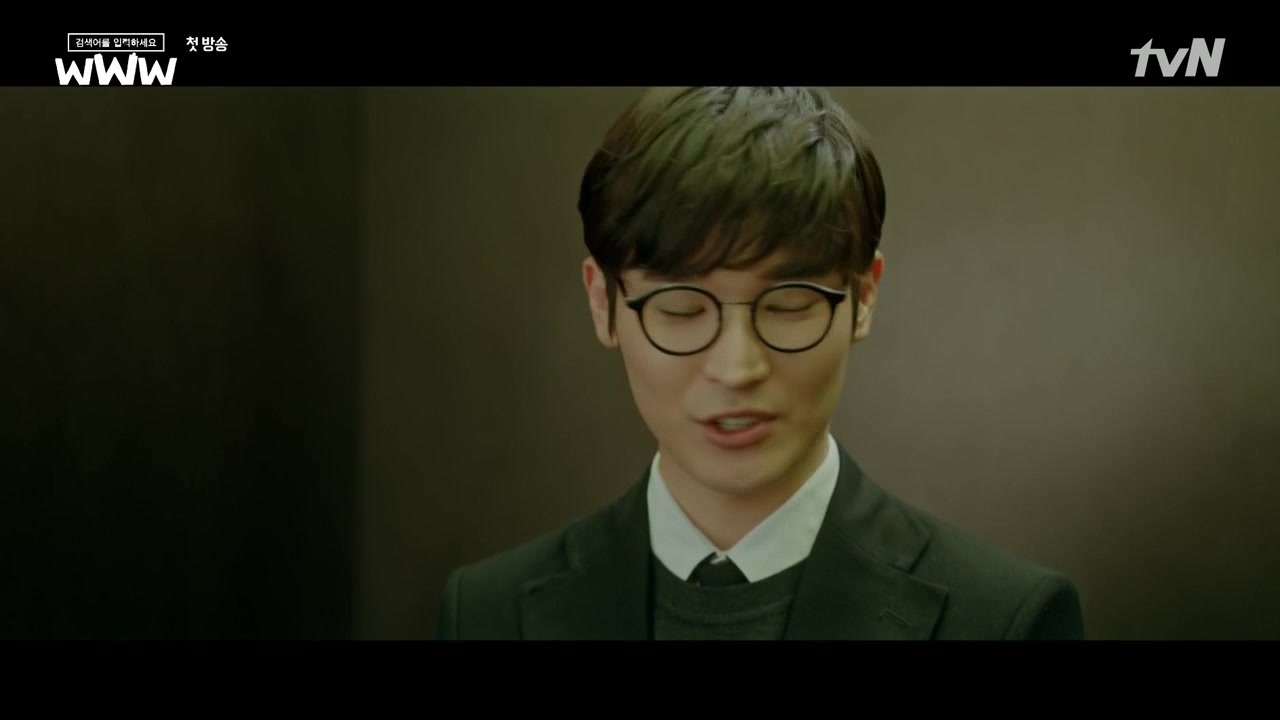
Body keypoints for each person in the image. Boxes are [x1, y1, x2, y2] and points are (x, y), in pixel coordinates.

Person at [433, 87, 1085, 640]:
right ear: (603, 304)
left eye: (790, 304)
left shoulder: (1005, 619)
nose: (737, 367)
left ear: (863, 298)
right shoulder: (487, 613)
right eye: (682, 308)